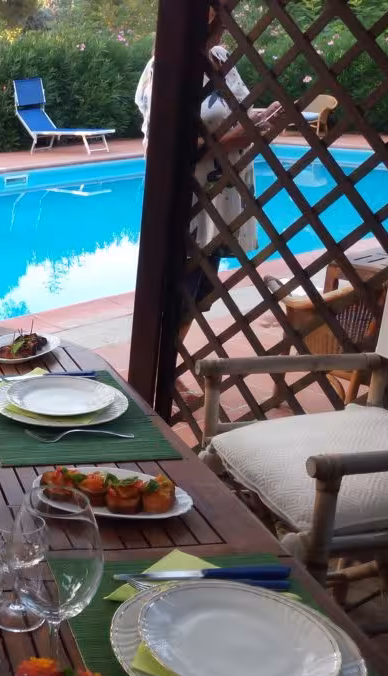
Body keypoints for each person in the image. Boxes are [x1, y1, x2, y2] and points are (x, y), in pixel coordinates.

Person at [134, 4, 284, 402]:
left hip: (224, 198)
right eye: (215, 14)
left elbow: (231, 112)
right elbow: (158, 148)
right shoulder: (162, 69)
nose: (221, 24)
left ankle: (172, 367)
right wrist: (227, 141)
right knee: (180, 288)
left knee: (201, 291)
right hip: (190, 198)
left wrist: (262, 117)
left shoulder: (221, 60)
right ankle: (162, 373)